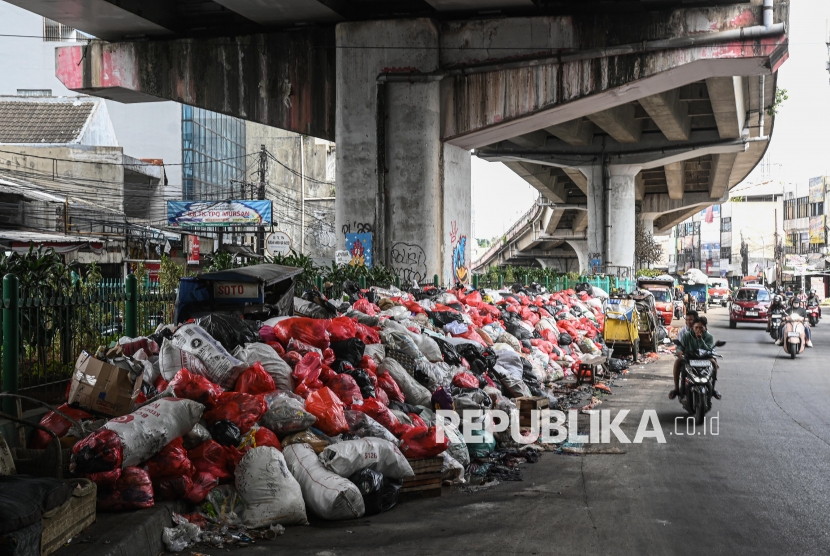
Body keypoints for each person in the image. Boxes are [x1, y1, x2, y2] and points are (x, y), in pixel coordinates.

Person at [670, 315, 721, 401]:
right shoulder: (686, 335)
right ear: (693, 327)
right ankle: (676, 389)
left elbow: (709, 349)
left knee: (713, 362)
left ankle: (713, 389)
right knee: (677, 362)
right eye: (696, 327)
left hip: (704, 358)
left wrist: (700, 339)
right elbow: (680, 346)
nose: (698, 330)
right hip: (689, 358)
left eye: (701, 328)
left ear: (705, 327)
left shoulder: (709, 337)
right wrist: (679, 351)